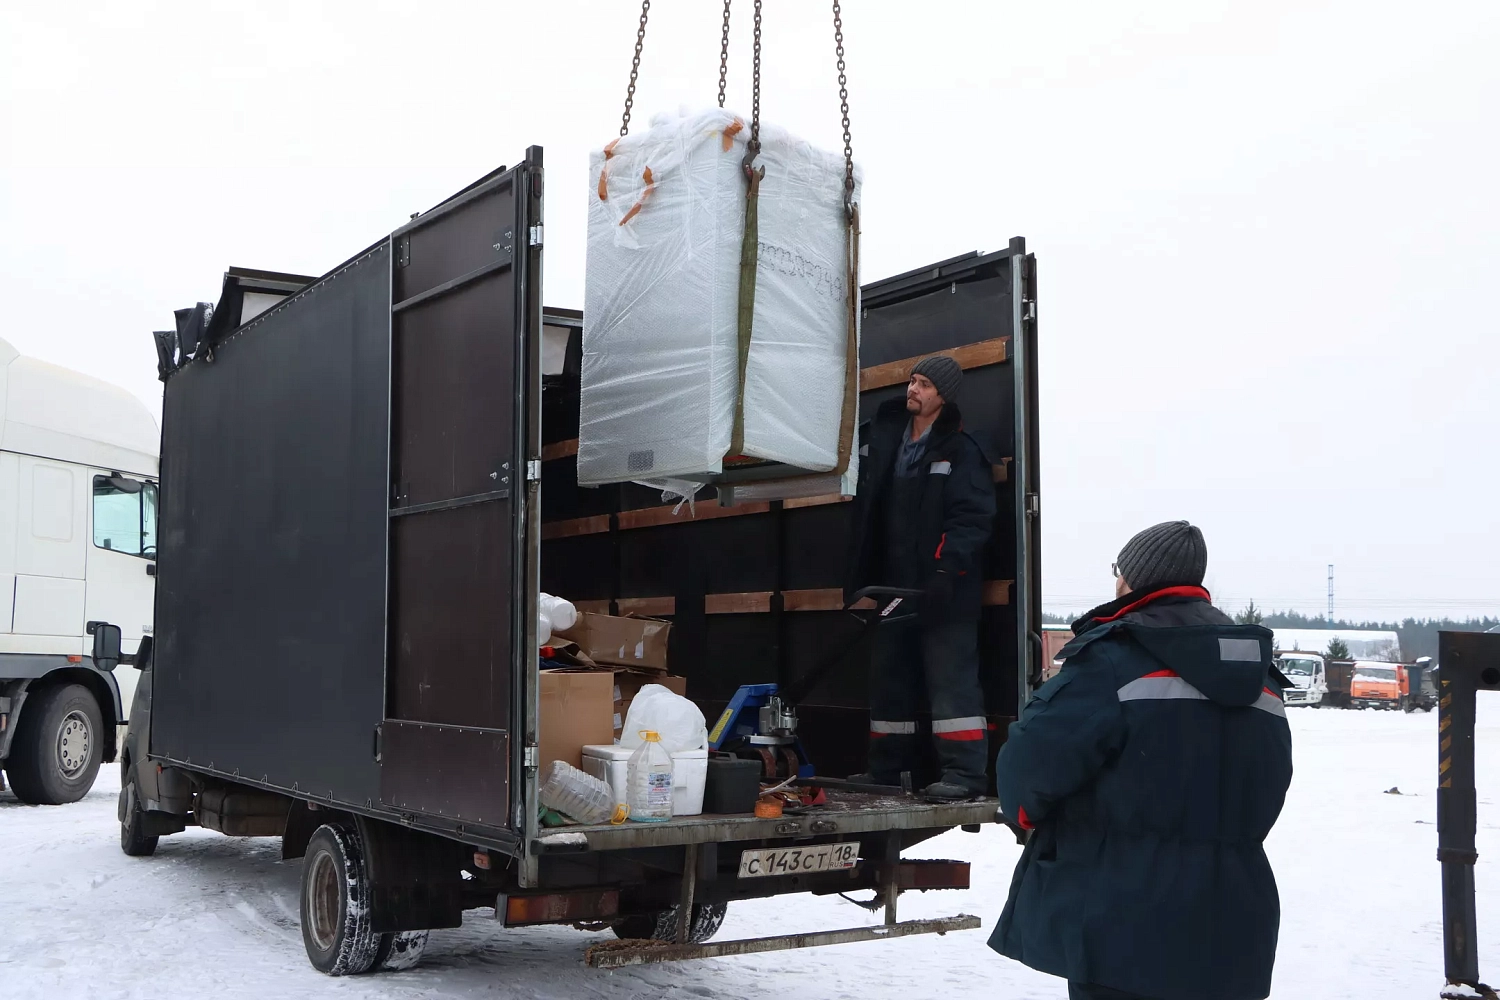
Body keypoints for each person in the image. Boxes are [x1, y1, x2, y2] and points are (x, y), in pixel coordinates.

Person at [989, 521, 1293, 1000]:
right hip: (1233, 921)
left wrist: (1026, 817)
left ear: (1132, 578)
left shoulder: (1114, 658)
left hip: (1120, 921)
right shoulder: (1259, 675)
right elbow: (1271, 780)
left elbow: (1030, 768)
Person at [844, 355, 996, 801]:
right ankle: (888, 771)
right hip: (894, 591)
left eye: (924, 383)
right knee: (889, 682)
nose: (912, 388)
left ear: (941, 396)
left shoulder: (962, 451)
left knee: (951, 688)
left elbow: (972, 519)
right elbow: (866, 519)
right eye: (912, 380)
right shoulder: (886, 444)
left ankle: (965, 778)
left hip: (944, 592)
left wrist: (947, 571)